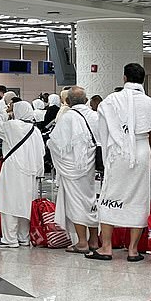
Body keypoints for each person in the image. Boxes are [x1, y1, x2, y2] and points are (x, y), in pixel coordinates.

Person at [91, 64, 151, 263]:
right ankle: (132, 250)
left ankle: (106, 247)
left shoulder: (111, 100)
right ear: (143, 79)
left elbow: (101, 129)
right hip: (141, 152)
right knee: (139, 198)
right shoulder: (150, 103)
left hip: (118, 152)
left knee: (109, 195)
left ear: (124, 78)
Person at [47, 86, 100, 253]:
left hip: (73, 168)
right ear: (86, 100)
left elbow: (56, 142)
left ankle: (82, 243)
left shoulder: (68, 117)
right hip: (91, 166)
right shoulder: (94, 115)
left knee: (76, 202)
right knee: (91, 200)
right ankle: (94, 240)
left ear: (67, 101)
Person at [0, 101, 45, 248]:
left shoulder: (13, 126)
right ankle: (24, 237)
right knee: (25, 204)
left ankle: (10, 239)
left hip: (13, 170)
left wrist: (3, 112)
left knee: (9, 203)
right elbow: (42, 153)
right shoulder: (35, 130)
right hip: (30, 173)